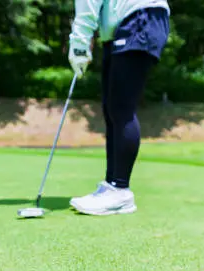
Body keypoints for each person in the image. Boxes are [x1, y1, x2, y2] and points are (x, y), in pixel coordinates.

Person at [67, 0, 170, 216]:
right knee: (112, 109)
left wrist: (79, 42)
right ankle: (112, 185)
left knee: (121, 109)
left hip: (138, 19)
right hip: (129, 23)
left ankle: (120, 189)